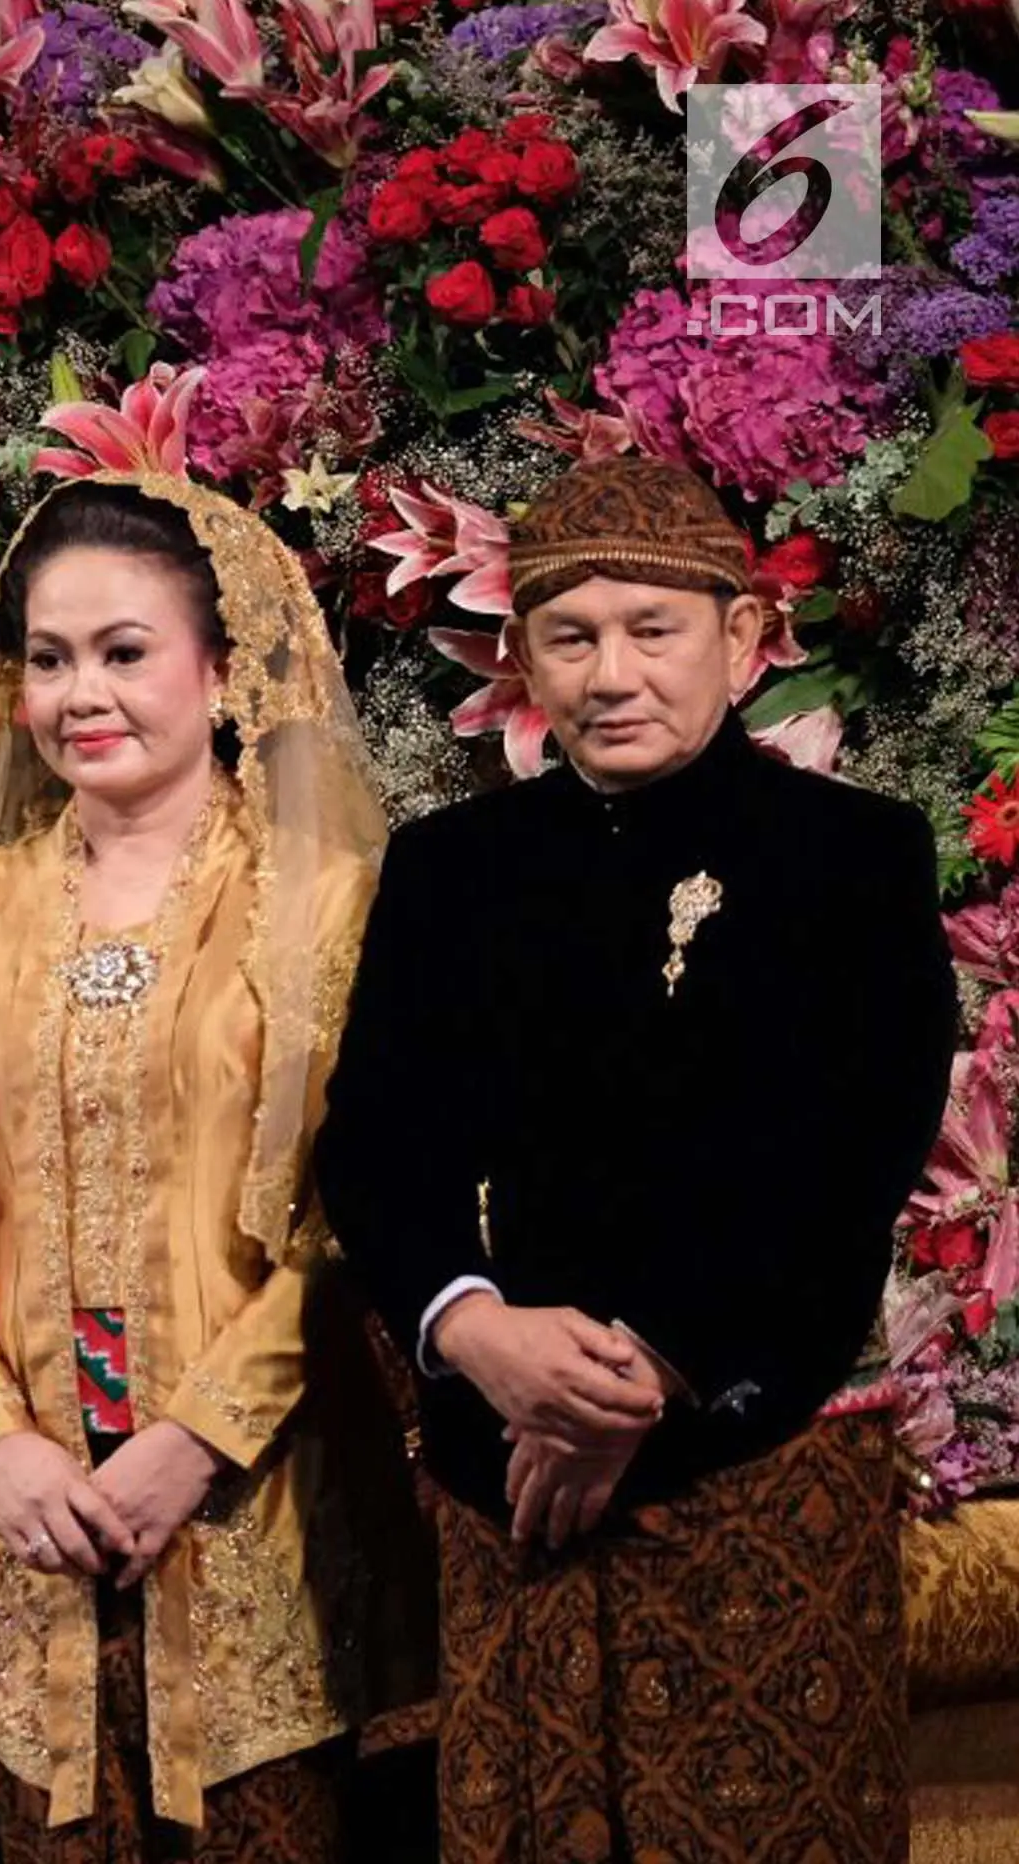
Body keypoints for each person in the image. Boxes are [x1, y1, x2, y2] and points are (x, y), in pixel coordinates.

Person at [311, 455, 953, 1864]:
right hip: (508, 1493)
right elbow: (376, 1143)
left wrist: (641, 1371)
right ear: (523, 653)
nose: (610, 673)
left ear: (739, 639)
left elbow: (845, 1148)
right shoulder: (450, 867)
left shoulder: (854, 857)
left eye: (650, 630)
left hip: (756, 1472)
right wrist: (473, 1330)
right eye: (569, 635)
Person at [0, 474, 429, 1859]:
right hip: (28, 1510)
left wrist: (198, 1434)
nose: (82, 693)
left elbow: (358, 1209)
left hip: (261, 1491)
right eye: (48, 659)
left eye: (124, 651)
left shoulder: (323, 897)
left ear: (221, 670)